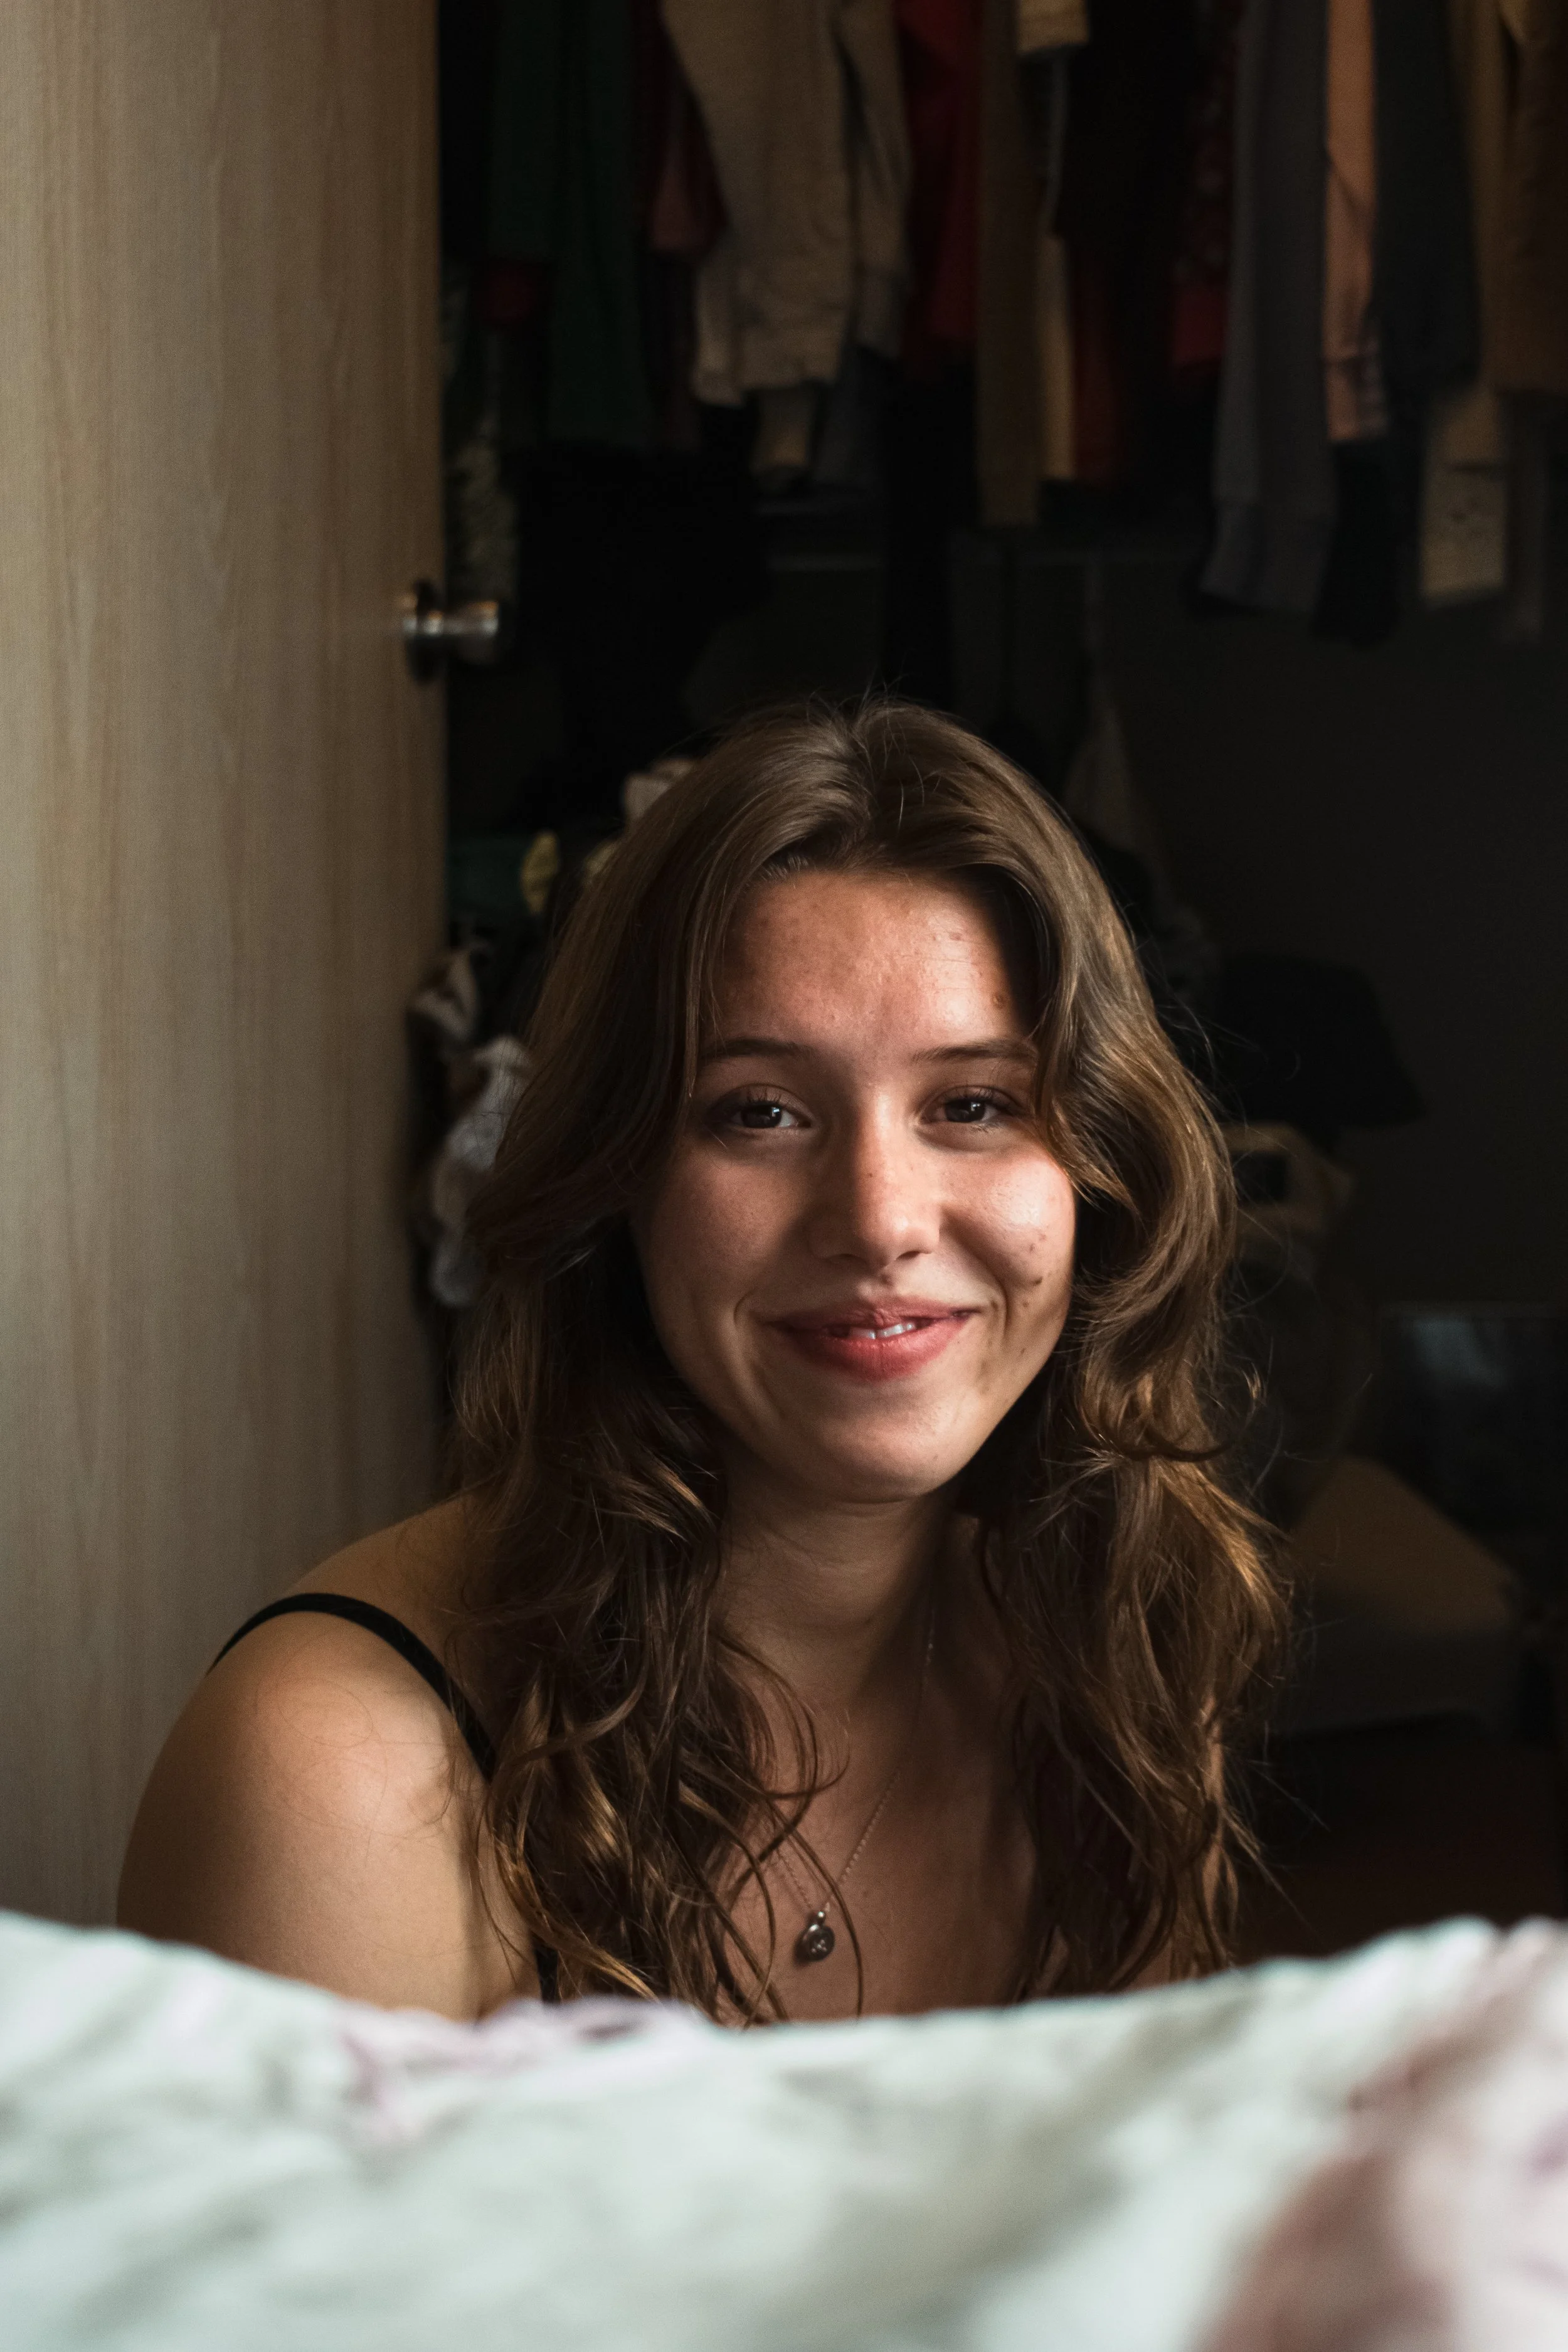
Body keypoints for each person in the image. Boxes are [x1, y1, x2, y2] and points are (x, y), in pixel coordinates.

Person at [119, 699, 1281, 2023]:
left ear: (1100, 1177)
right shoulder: (340, 1780)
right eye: (759, 1112)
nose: (881, 1219)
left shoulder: (1100, 1652)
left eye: (970, 1104)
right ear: (615, 1181)